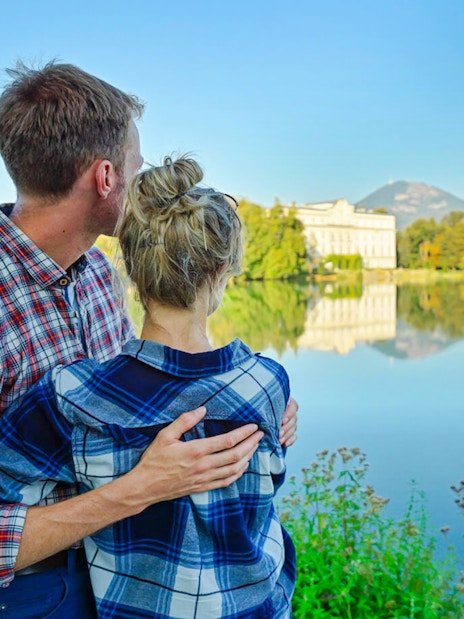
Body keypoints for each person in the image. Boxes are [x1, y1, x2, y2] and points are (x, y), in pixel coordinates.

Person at [0, 61, 297, 618]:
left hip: (125, 577)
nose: (148, 181)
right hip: (31, 594)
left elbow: (143, 389)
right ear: (107, 178)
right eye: (138, 162)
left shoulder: (96, 274)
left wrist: (248, 403)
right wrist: (135, 490)